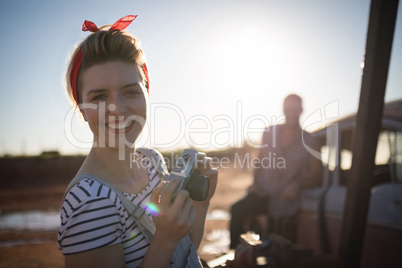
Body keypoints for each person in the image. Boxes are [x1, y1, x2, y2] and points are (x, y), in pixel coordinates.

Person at [57, 15, 218, 267]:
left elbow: (184, 254)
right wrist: (164, 238)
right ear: (82, 109)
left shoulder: (152, 161)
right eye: (99, 97)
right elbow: (169, 243)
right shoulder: (89, 201)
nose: (118, 109)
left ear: (146, 94)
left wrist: (200, 203)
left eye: (130, 91)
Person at [229, 94, 322, 249]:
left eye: (295, 109)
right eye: (287, 109)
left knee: (275, 248)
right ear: (283, 110)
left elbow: (318, 175)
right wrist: (254, 183)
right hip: (261, 194)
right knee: (237, 210)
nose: (291, 113)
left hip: (284, 203)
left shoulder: (311, 140)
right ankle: (234, 255)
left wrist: (297, 185)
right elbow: (259, 160)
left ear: (301, 110)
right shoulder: (268, 132)